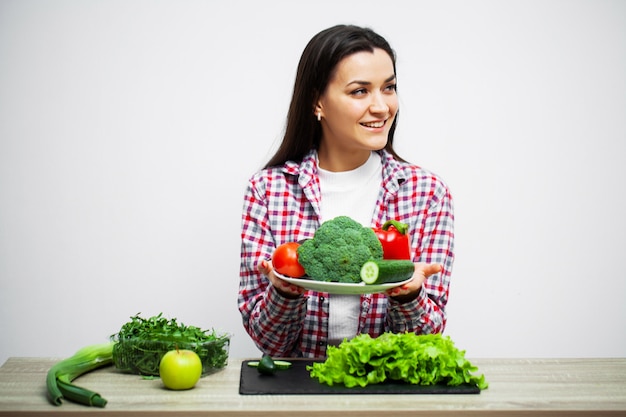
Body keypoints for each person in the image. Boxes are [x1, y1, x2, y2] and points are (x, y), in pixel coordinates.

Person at [238, 24, 454, 358]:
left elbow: (426, 340)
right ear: (317, 102)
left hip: (388, 396)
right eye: (359, 91)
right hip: (298, 393)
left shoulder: (427, 194)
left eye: (389, 88)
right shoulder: (268, 190)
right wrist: (283, 293)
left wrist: (409, 297)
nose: (382, 107)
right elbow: (269, 344)